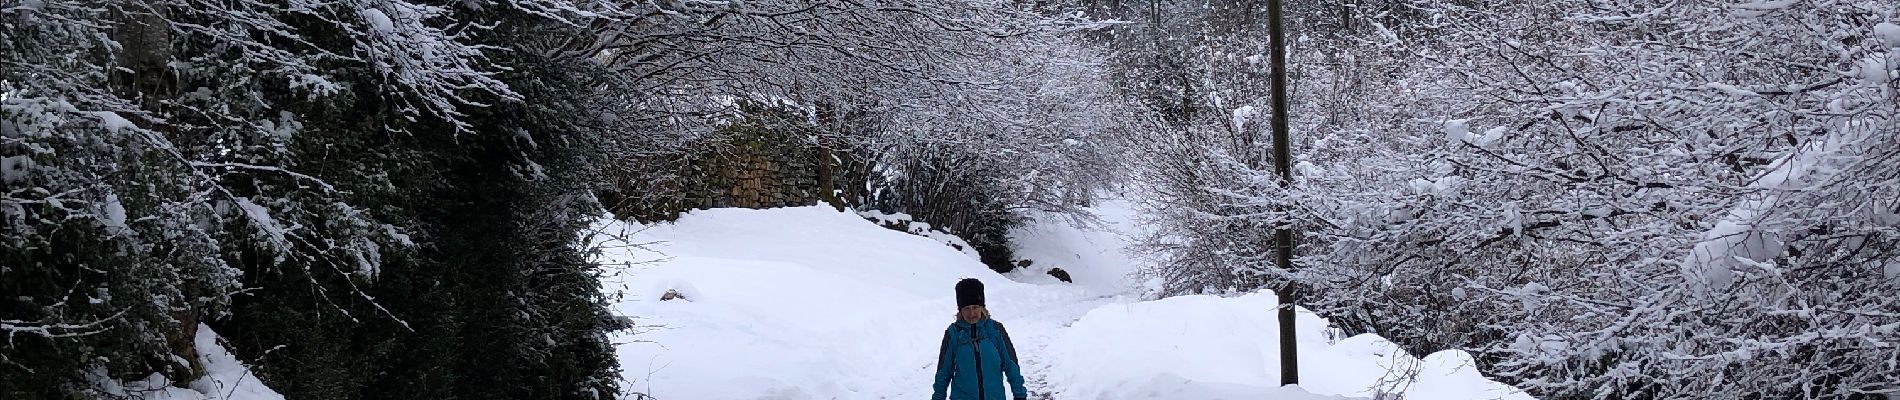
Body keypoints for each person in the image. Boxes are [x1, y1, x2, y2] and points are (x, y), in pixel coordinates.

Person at [932, 278, 1029, 400]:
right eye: (966, 308)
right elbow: (943, 372)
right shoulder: (953, 334)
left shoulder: (995, 330)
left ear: (982, 308)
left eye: (975, 307)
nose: (971, 313)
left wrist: (1019, 394)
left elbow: (1011, 365)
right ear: (960, 311)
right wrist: (938, 397)